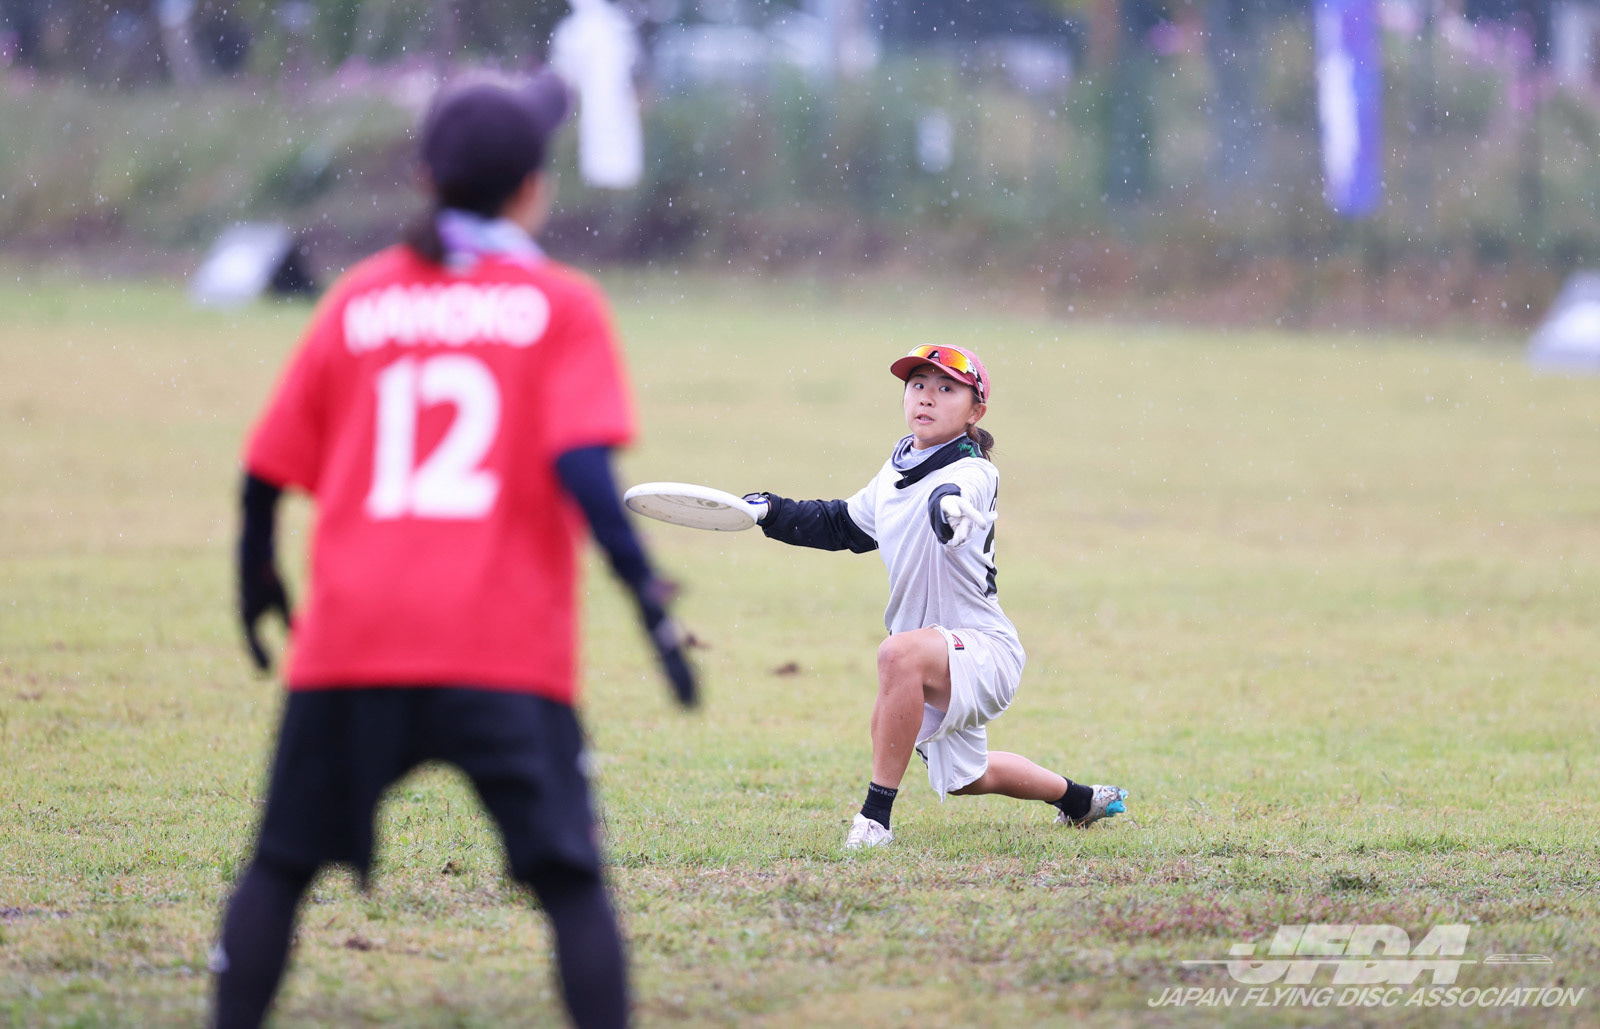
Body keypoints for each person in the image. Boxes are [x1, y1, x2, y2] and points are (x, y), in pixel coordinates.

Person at [213, 72, 694, 1029]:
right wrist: (646, 595)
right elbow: (584, 469)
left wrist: (256, 572)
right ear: (533, 187)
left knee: (279, 866)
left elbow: (264, 470)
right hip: (499, 646)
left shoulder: (359, 299)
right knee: (571, 882)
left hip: (353, 642)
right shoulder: (558, 303)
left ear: (426, 177)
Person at [743, 344, 1126, 848]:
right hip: (933, 659)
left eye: (947, 389)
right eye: (918, 385)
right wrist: (770, 511)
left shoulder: (974, 471)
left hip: (985, 649)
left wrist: (949, 512)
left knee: (896, 655)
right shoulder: (896, 468)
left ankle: (874, 821)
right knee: (968, 778)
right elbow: (843, 525)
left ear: (975, 412)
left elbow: (954, 498)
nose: (927, 397)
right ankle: (1079, 800)